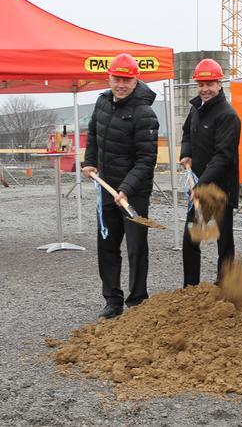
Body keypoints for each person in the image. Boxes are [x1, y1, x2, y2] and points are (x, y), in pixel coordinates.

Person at [82, 53, 160, 319]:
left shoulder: (144, 113)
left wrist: (126, 188)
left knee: (136, 247)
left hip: (134, 192)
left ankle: (137, 300)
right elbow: (93, 134)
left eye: (126, 80)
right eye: (117, 79)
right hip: (106, 187)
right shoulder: (102, 102)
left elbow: (147, 159)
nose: (121, 84)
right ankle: (112, 299)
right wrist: (90, 161)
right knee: (107, 245)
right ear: (109, 78)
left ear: (136, 79)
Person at [179, 58, 241, 286]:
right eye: (201, 84)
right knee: (191, 239)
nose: (205, 89)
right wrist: (186, 153)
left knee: (223, 240)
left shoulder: (228, 116)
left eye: (210, 84)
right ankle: (190, 288)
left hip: (219, 191)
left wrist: (201, 185)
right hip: (199, 188)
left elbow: (223, 157)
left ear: (220, 83)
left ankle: (226, 285)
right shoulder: (196, 109)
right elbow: (186, 132)